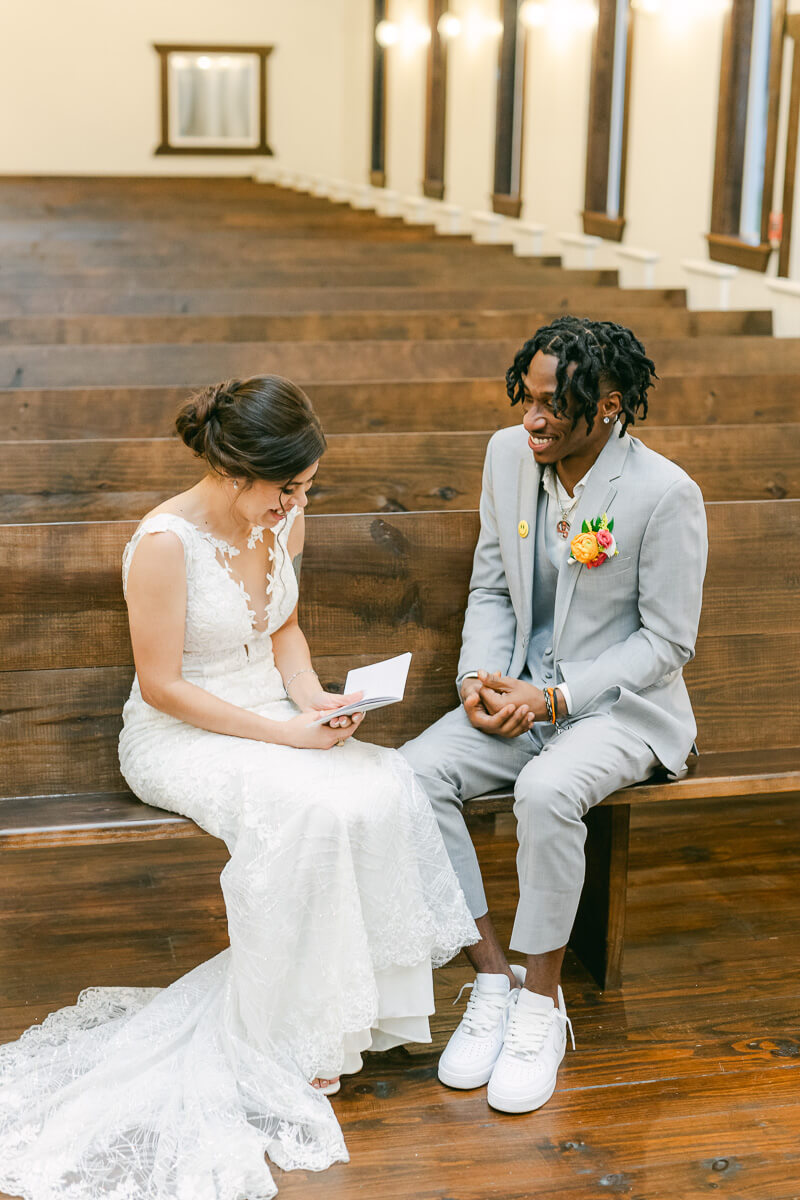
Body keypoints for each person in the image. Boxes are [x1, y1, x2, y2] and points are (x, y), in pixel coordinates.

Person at [0, 375, 477, 1200]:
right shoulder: (164, 545)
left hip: (269, 710)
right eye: (286, 487)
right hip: (181, 732)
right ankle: (293, 1040)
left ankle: (365, 1017)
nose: (295, 503)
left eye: (306, 487)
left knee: (382, 786)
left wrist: (317, 701)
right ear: (234, 472)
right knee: (313, 808)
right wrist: (285, 736)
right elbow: (162, 688)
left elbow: (283, 626)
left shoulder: (282, 517)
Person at [401, 316, 708, 1115]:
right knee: (411, 776)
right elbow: (494, 586)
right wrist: (480, 677)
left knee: (545, 791)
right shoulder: (508, 457)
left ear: (608, 406)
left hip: (620, 711)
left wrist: (561, 697)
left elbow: (667, 642)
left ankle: (542, 1004)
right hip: (522, 694)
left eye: (553, 406)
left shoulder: (663, 494)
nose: (532, 420)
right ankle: (492, 979)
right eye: (526, 399)